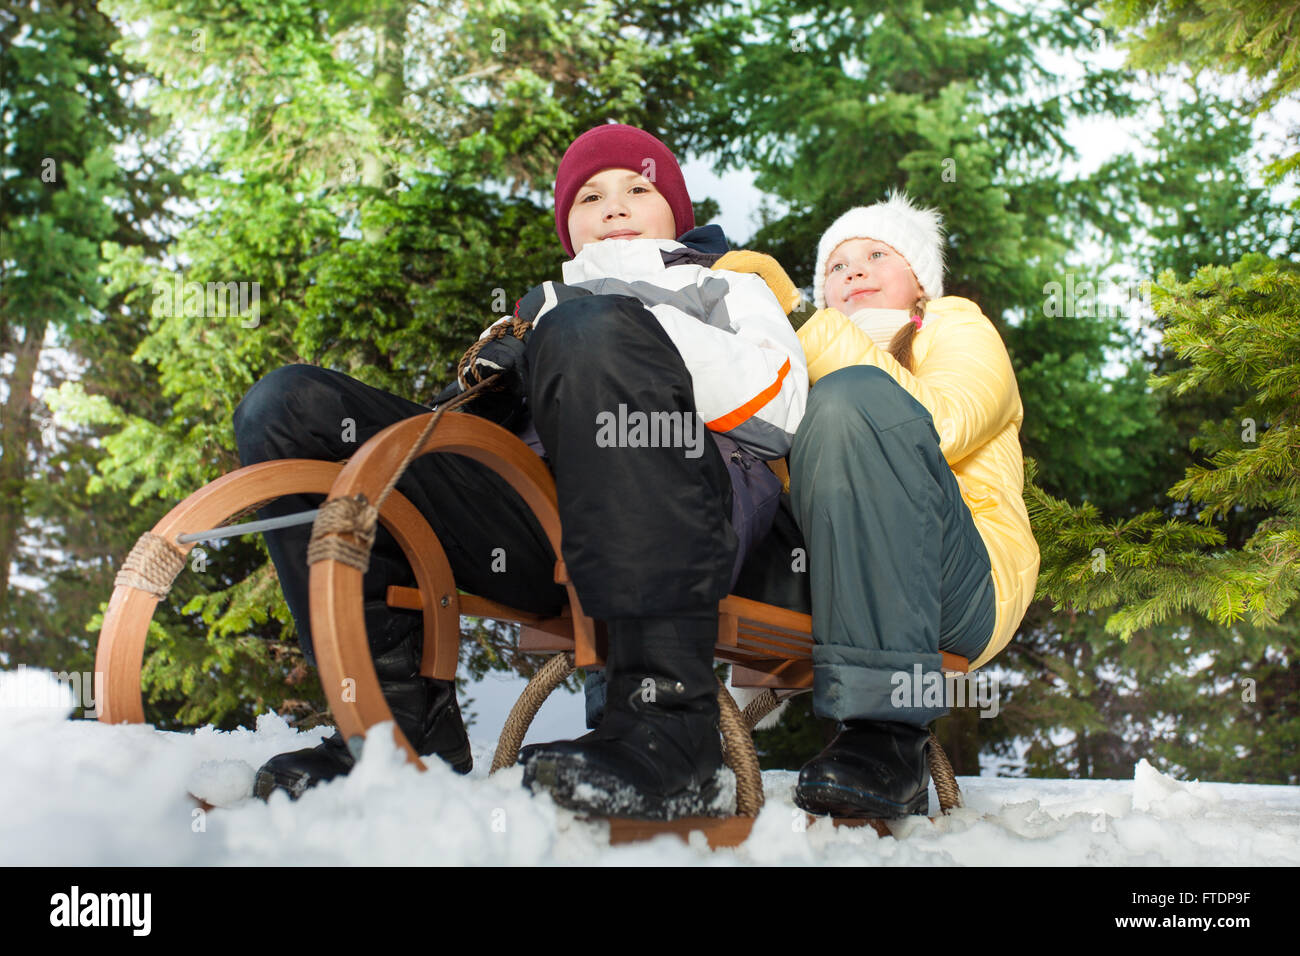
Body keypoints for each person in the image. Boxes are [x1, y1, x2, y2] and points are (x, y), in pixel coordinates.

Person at [232, 122, 808, 819]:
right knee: (289, 406)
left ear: (676, 212)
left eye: (638, 189)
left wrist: (604, 321)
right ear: (572, 226)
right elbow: (470, 444)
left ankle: (669, 731)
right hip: (538, 527)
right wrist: (495, 382)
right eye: (590, 197)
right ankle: (392, 730)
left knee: (591, 333)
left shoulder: (727, 287)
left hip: (684, 515)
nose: (615, 206)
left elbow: (776, 406)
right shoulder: (536, 313)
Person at [785, 191, 1039, 818]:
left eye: (876, 253)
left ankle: (885, 736)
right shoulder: (813, 359)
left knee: (850, 398)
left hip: (963, 583)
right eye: (837, 267)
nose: (855, 270)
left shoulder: (955, 324)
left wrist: (820, 334)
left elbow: (945, 423)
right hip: (831, 580)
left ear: (921, 280)